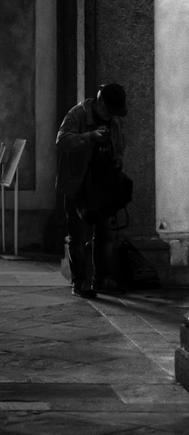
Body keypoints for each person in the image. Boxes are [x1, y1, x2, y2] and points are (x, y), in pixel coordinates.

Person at [56, 82, 128, 299]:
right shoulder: (78, 114)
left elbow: (120, 146)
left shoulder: (114, 120)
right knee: (78, 237)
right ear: (101, 102)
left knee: (106, 236)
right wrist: (89, 137)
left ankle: (102, 279)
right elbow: (61, 140)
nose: (112, 115)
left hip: (103, 187)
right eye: (110, 109)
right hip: (78, 186)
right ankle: (80, 282)